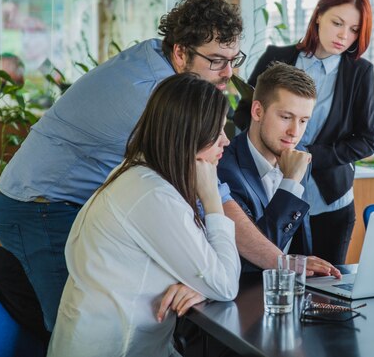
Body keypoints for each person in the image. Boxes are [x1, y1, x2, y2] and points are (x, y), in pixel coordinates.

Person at [0, 0, 281, 332]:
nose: (227, 73)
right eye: (216, 60)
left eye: (234, 59)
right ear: (180, 52)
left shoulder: (162, 61)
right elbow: (210, 195)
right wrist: (283, 263)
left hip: (75, 201)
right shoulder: (154, 96)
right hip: (39, 206)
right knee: (76, 326)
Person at [47, 74, 240, 357]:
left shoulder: (140, 175)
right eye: (218, 131)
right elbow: (224, 284)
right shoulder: (152, 195)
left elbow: (211, 273)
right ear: (189, 133)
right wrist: (212, 200)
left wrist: (201, 284)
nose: (226, 141)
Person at [234, 0, 374, 265]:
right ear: (319, 15)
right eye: (337, 22)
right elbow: (244, 113)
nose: (343, 36)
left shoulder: (359, 72)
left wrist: (309, 156)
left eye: (354, 30)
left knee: (325, 290)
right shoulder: (278, 57)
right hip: (273, 194)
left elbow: (367, 139)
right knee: (270, 277)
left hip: (329, 201)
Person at [219, 62, 341, 277]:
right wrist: (291, 183)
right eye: (286, 117)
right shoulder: (225, 169)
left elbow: (298, 240)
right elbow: (256, 258)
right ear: (257, 111)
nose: (295, 132)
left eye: (303, 121)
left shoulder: (299, 154)